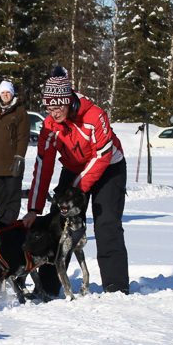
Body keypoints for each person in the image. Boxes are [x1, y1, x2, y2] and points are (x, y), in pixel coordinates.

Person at [23, 66, 129, 295]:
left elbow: (103, 155)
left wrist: (76, 190)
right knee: (58, 223)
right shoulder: (50, 126)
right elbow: (43, 166)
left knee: (106, 222)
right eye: (49, 108)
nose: (53, 113)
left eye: (58, 107)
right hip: (73, 168)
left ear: (68, 101)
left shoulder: (95, 115)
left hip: (109, 168)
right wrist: (33, 208)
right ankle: (48, 287)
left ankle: (116, 287)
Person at [0, 80, 29, 225]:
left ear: (12, 93)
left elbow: (23, 137)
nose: (5, 95)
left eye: (8, 92)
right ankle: (1, 226)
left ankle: (9, 227)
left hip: (12, 164)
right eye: (3, 92)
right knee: (0, 199)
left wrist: (19, 157)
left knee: (12, 199)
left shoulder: (20, 113)